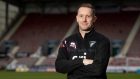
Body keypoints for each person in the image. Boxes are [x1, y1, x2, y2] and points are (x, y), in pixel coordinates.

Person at [55, 3, 111, 79]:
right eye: (81, 16)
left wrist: (71, 67)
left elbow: (98, 70)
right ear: (77, 18)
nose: (84, 20)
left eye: (88, 16)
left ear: (94, 19)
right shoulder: (67, 41)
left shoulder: (103, 41)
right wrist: (82, 61)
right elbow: (59, 66)